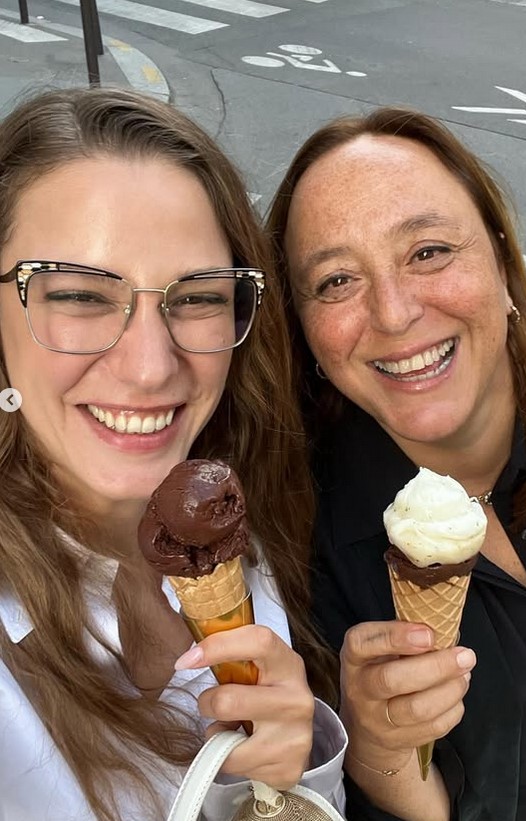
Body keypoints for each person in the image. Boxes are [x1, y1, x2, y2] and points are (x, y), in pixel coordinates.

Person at [266, 106, 526, 821]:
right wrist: (379, 749)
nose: (393, 314)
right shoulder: (297, 532)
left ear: (504, 263)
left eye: (428, 251)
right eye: (336, 282)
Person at [0, 87, 346, 821]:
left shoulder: (239, 523)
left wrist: (294, 775)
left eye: (197, 297)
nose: (152, 367)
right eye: (80, 296)